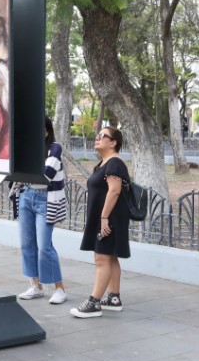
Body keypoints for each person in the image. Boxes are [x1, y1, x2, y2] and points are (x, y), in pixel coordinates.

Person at [71, 126, 130, 318]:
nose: (97, 138)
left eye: (102, 136)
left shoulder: (114, 163)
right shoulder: (106, 163)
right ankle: (113, 298)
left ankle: (94, 303)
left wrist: (104, 218)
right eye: (97, 135)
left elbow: (114, 191)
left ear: (113, 143)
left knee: (102, 258)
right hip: (106, 217)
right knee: (110, 256)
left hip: (109, 217)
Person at [15, 117, 67, 304]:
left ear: (46, 131)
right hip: (26, 196)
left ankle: (59, 289)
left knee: (44, 246)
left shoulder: (55, 148)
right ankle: (35, 286)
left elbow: (46, 174)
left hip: (46, 199)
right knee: (26, 244)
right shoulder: (29, 148)